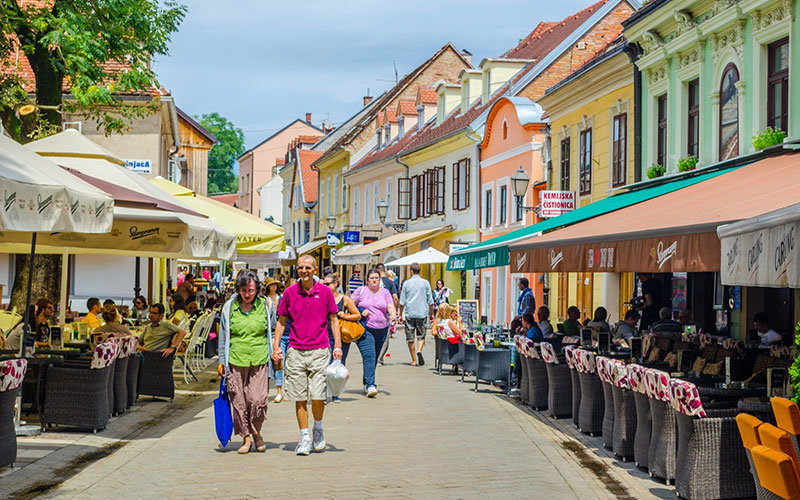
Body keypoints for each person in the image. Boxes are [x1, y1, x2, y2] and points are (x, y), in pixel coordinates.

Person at [272, 254, 342, 456]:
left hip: (320, 350)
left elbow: (334, 320)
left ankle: (318, 429)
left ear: (315, 270)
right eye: (300, 268)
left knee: (319, 394)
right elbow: (281, 322)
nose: (303, 271)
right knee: (299, 396)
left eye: (307, 268)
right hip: (295, 350)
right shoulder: (289, 293)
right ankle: (304, 438)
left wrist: (337, 345)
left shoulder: (325, 292)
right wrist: (276, 347)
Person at [217, 269, 271, 454]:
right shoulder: (229, 307)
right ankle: (246, 438)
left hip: (260, 357)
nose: (247, 294)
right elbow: (223, 335)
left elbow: (271, 331)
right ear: (238, 289)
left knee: (257, 399)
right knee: (239, 401)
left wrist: (277, 352)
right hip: (235, 359)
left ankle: (257, 433)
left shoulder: (265, 305)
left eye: (251, 290)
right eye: (244, 290)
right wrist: (222, 361)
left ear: (257, 290)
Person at [351, 268, 398, 394]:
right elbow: (349, 304)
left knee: (375, 357)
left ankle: (367, 382)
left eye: (376, 278)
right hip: (366, 329)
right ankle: (371, 385)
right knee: (370, 356)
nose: (374, 280)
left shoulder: (385, 292)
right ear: (367, 280)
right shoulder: (361, 291)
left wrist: (393, 314)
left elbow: (390, 305)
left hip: (382, 329)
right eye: (372, 278)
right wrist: (361, 311)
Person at [322, 273, 360, 402]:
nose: (324, 286)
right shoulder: (321, 298)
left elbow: (357, 315)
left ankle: (335, 393)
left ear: (335, 284)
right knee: (324, 365)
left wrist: (345, 316)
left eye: (327, 284)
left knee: (339, 364)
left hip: (341, 336)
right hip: (324, 335)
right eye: (323, 284)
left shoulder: (344, 299)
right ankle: (323, 394)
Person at [398, 263, 434, 366]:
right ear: (419, 271)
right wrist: (431, 314)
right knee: (421, 335)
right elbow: (430, 301)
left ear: (411, 271)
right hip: (422, 313)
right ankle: (419, 350)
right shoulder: (425, 283)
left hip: (410, 314)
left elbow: (402, 302)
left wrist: (400, 315)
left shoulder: (406, 284)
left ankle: (414, 360)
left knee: (410, 338)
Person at [265, 277, 288, 403]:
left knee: (286, 363)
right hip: (271, 333)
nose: (274, 287)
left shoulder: (282, 298)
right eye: (271, 285)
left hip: (284, 331)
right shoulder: (265, 300)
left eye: (275, 285)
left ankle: (286, 390)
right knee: (277, 361)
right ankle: (279, 390)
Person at [375, 263, 399, 365]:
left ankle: (373, 356)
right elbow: (395, 298)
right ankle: (379, 359)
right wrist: (395, 310)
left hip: (374, 311)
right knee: (385, 336)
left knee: (373, 333)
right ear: (384, 270)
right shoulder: (389, 282)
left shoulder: (373, 282)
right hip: (386, 312)